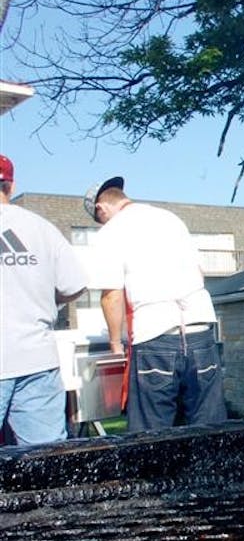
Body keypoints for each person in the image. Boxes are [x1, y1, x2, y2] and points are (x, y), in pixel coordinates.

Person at [84, 176, 226, 431]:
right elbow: (199, 272)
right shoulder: (171, 219)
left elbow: (112, 294)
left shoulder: (111, 231)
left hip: (156, 337)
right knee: (210, 429)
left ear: (101, 208)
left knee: (150, 434)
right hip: (200, 330)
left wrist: (116, 344)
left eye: (99, 219)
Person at [0, 154, 88, 444]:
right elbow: (75, 285)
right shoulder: (40, 227)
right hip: (37, 360)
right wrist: (45, 300)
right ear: (10, 186)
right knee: (46, 465)